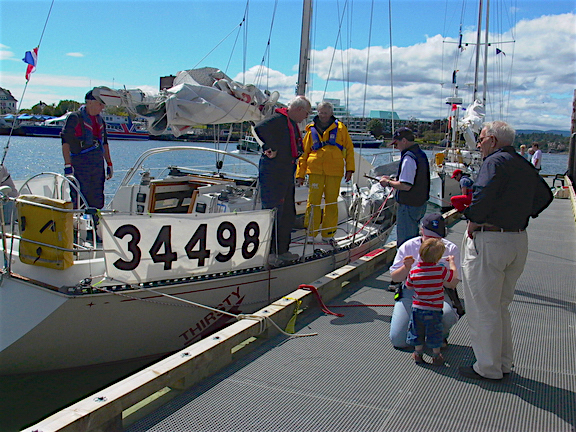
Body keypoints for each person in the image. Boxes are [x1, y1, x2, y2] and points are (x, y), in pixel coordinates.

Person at [459, 121, 553, 380]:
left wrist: (474, 218)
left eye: (480, 139)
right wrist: (522, 212)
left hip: (490, 241)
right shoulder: (523, 163)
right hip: (517, 240)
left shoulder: (493, 163)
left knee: (483, 307)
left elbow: (482, 196)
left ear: (492, 140)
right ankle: (502, 362)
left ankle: (487, 367)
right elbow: (546, 196)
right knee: (500, 306)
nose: (478, 144)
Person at [388, 213, 463, 349]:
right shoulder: (409, 246)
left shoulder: (451, 249)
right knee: (398, 340)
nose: (432, 242)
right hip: (413, 292)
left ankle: (439, 334)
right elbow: (395, 278)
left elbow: (453, 283)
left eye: (436, 238)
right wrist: (406, 268)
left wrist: (435, 274)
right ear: (421, 230)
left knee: (446, 315)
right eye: (429, 236)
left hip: (438, 292)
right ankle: (423, 333)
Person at [255, 95, 311, 262]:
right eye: (306, 113)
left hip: (286, 172)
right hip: (274, 173)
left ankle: (282, 250)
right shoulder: (278, 119)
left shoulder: (292, 123)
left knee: (287, 213)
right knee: (274, 211)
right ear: (299, 109)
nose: (306, 117)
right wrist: (271, 147)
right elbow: (259, 129)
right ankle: (270, 251)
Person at [295, 101, 355, 242]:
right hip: (315, 171)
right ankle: (311, 233)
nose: (322, 115)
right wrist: (300, 174)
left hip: (334, 171)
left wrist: (350, 169)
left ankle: (328, 235)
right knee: (313, 203)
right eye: (320, 112)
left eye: (325, 113)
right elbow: (304, 154)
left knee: (331, 203)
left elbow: (349, 149)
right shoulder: (311, 130)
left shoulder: (341, 129)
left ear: (331, 113)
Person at [405, 237, 458, 366]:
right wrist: (451, 262)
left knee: (417, 330)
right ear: (438, 257)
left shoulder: (414, 271)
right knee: (434, 332)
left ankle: (417, 353)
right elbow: (452, 277)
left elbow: (409, 285)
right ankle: (436, 355)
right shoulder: (440, 270)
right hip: (434, 309)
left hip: (418, 308)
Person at [61, 89, 113, 210]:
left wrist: (109, 164)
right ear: (90, 102)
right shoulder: (74, 118)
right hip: (80, 163)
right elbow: (65, 142)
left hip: (97, 164)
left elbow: (104, 143)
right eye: (100, 104)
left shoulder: (101, 121)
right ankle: (78, 224)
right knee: (79, 196)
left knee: (97, 197)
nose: (102, 107)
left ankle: (94, 223)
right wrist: (67, 165)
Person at [379, 127, 430, 247]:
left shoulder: (409, 158)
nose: (395, 147)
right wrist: (393, 180)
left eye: (396, 143)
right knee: (414, 239)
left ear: (404, 141)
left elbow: (405, 185)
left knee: (405, 243)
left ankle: (405, 263)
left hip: (409, 206)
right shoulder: (420, 154)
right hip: (420, 204)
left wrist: (388, 183)